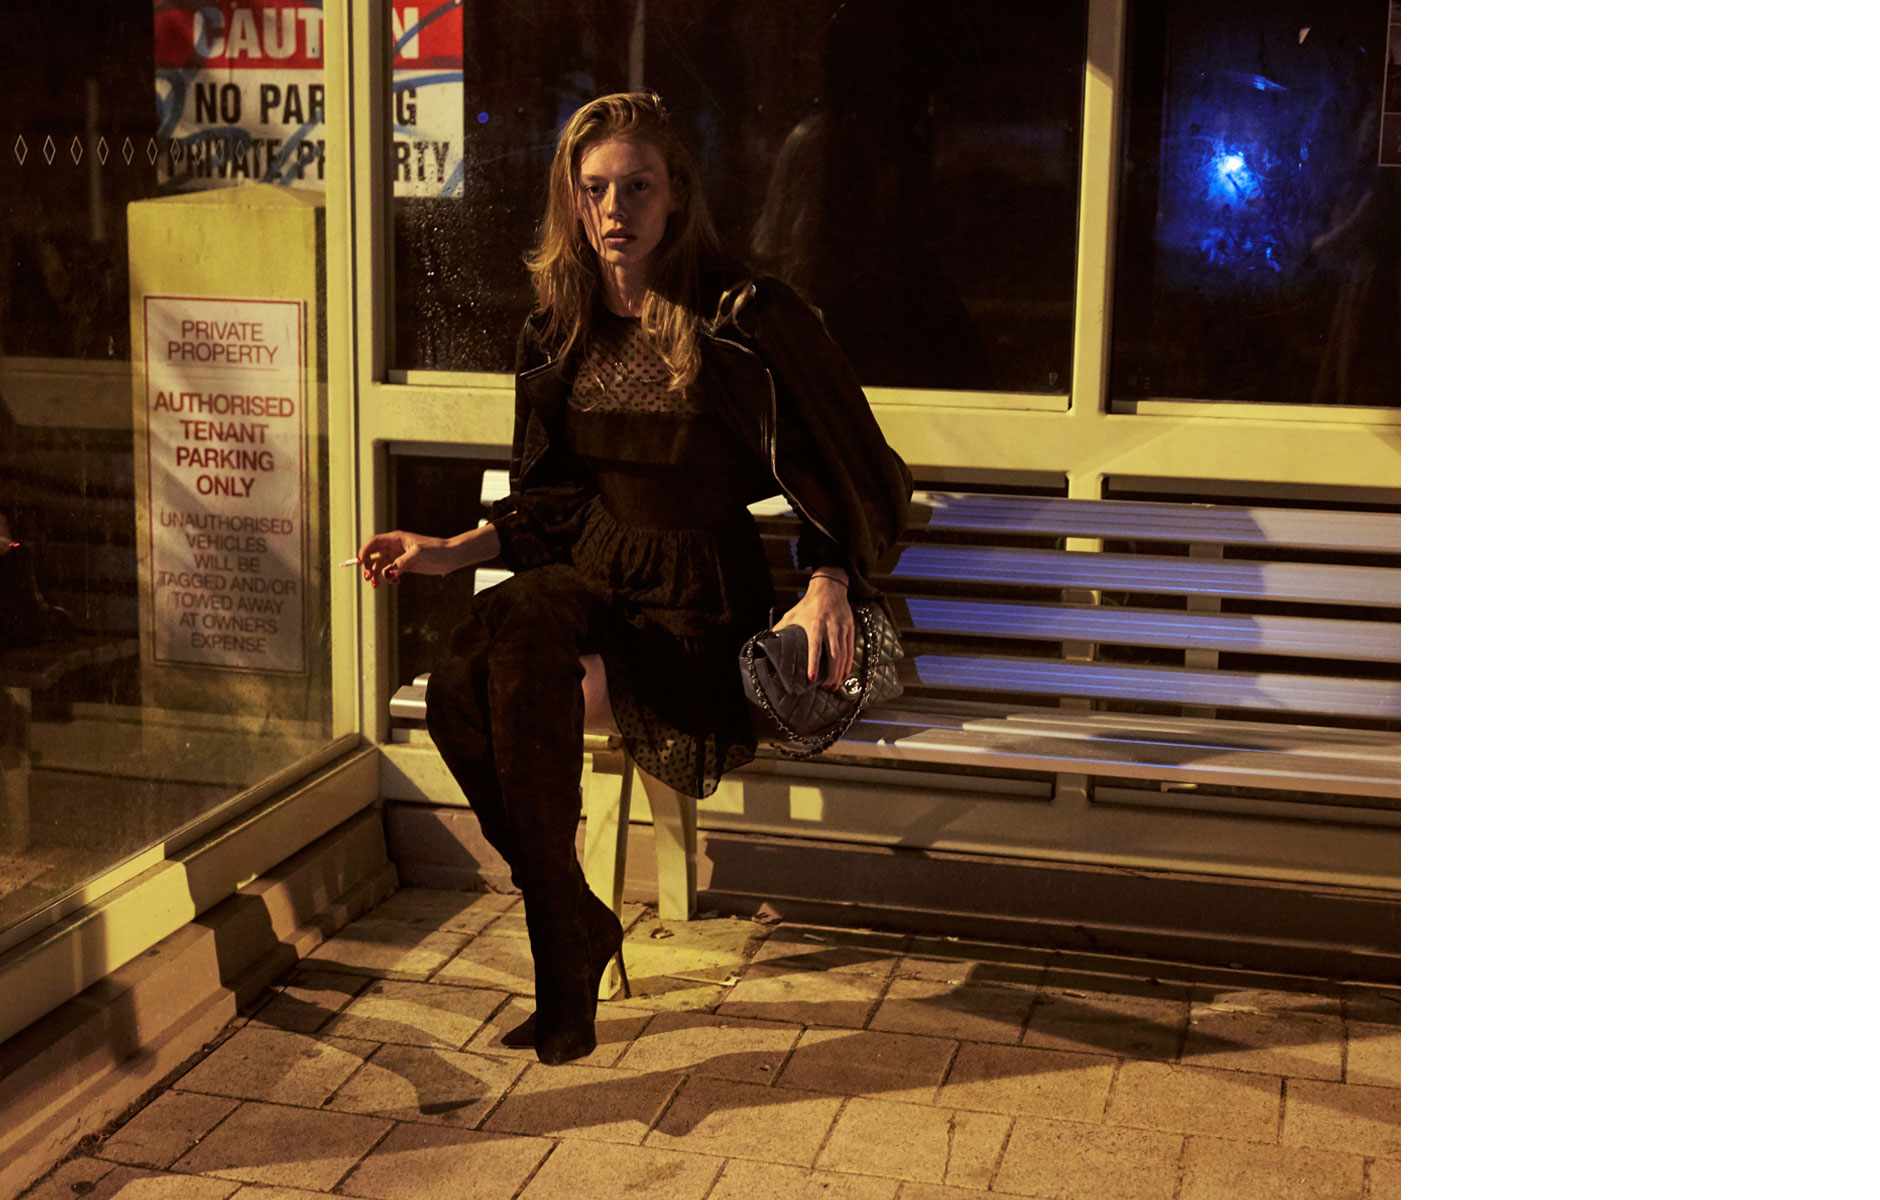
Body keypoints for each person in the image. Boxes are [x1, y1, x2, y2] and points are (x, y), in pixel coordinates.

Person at [352, 93, 912, 1065]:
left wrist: (827, 575)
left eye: (637, 187)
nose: (614, 210)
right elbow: (555, 497)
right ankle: (571, 919)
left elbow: (853, 465)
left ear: (676, 195)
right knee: (455, 690)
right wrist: (449, 548)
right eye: (595, 189)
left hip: (696, 601)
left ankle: (564, 962)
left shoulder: (746, 317)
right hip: (594, 573)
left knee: (508, 678)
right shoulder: (556, 326)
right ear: (572, 201)